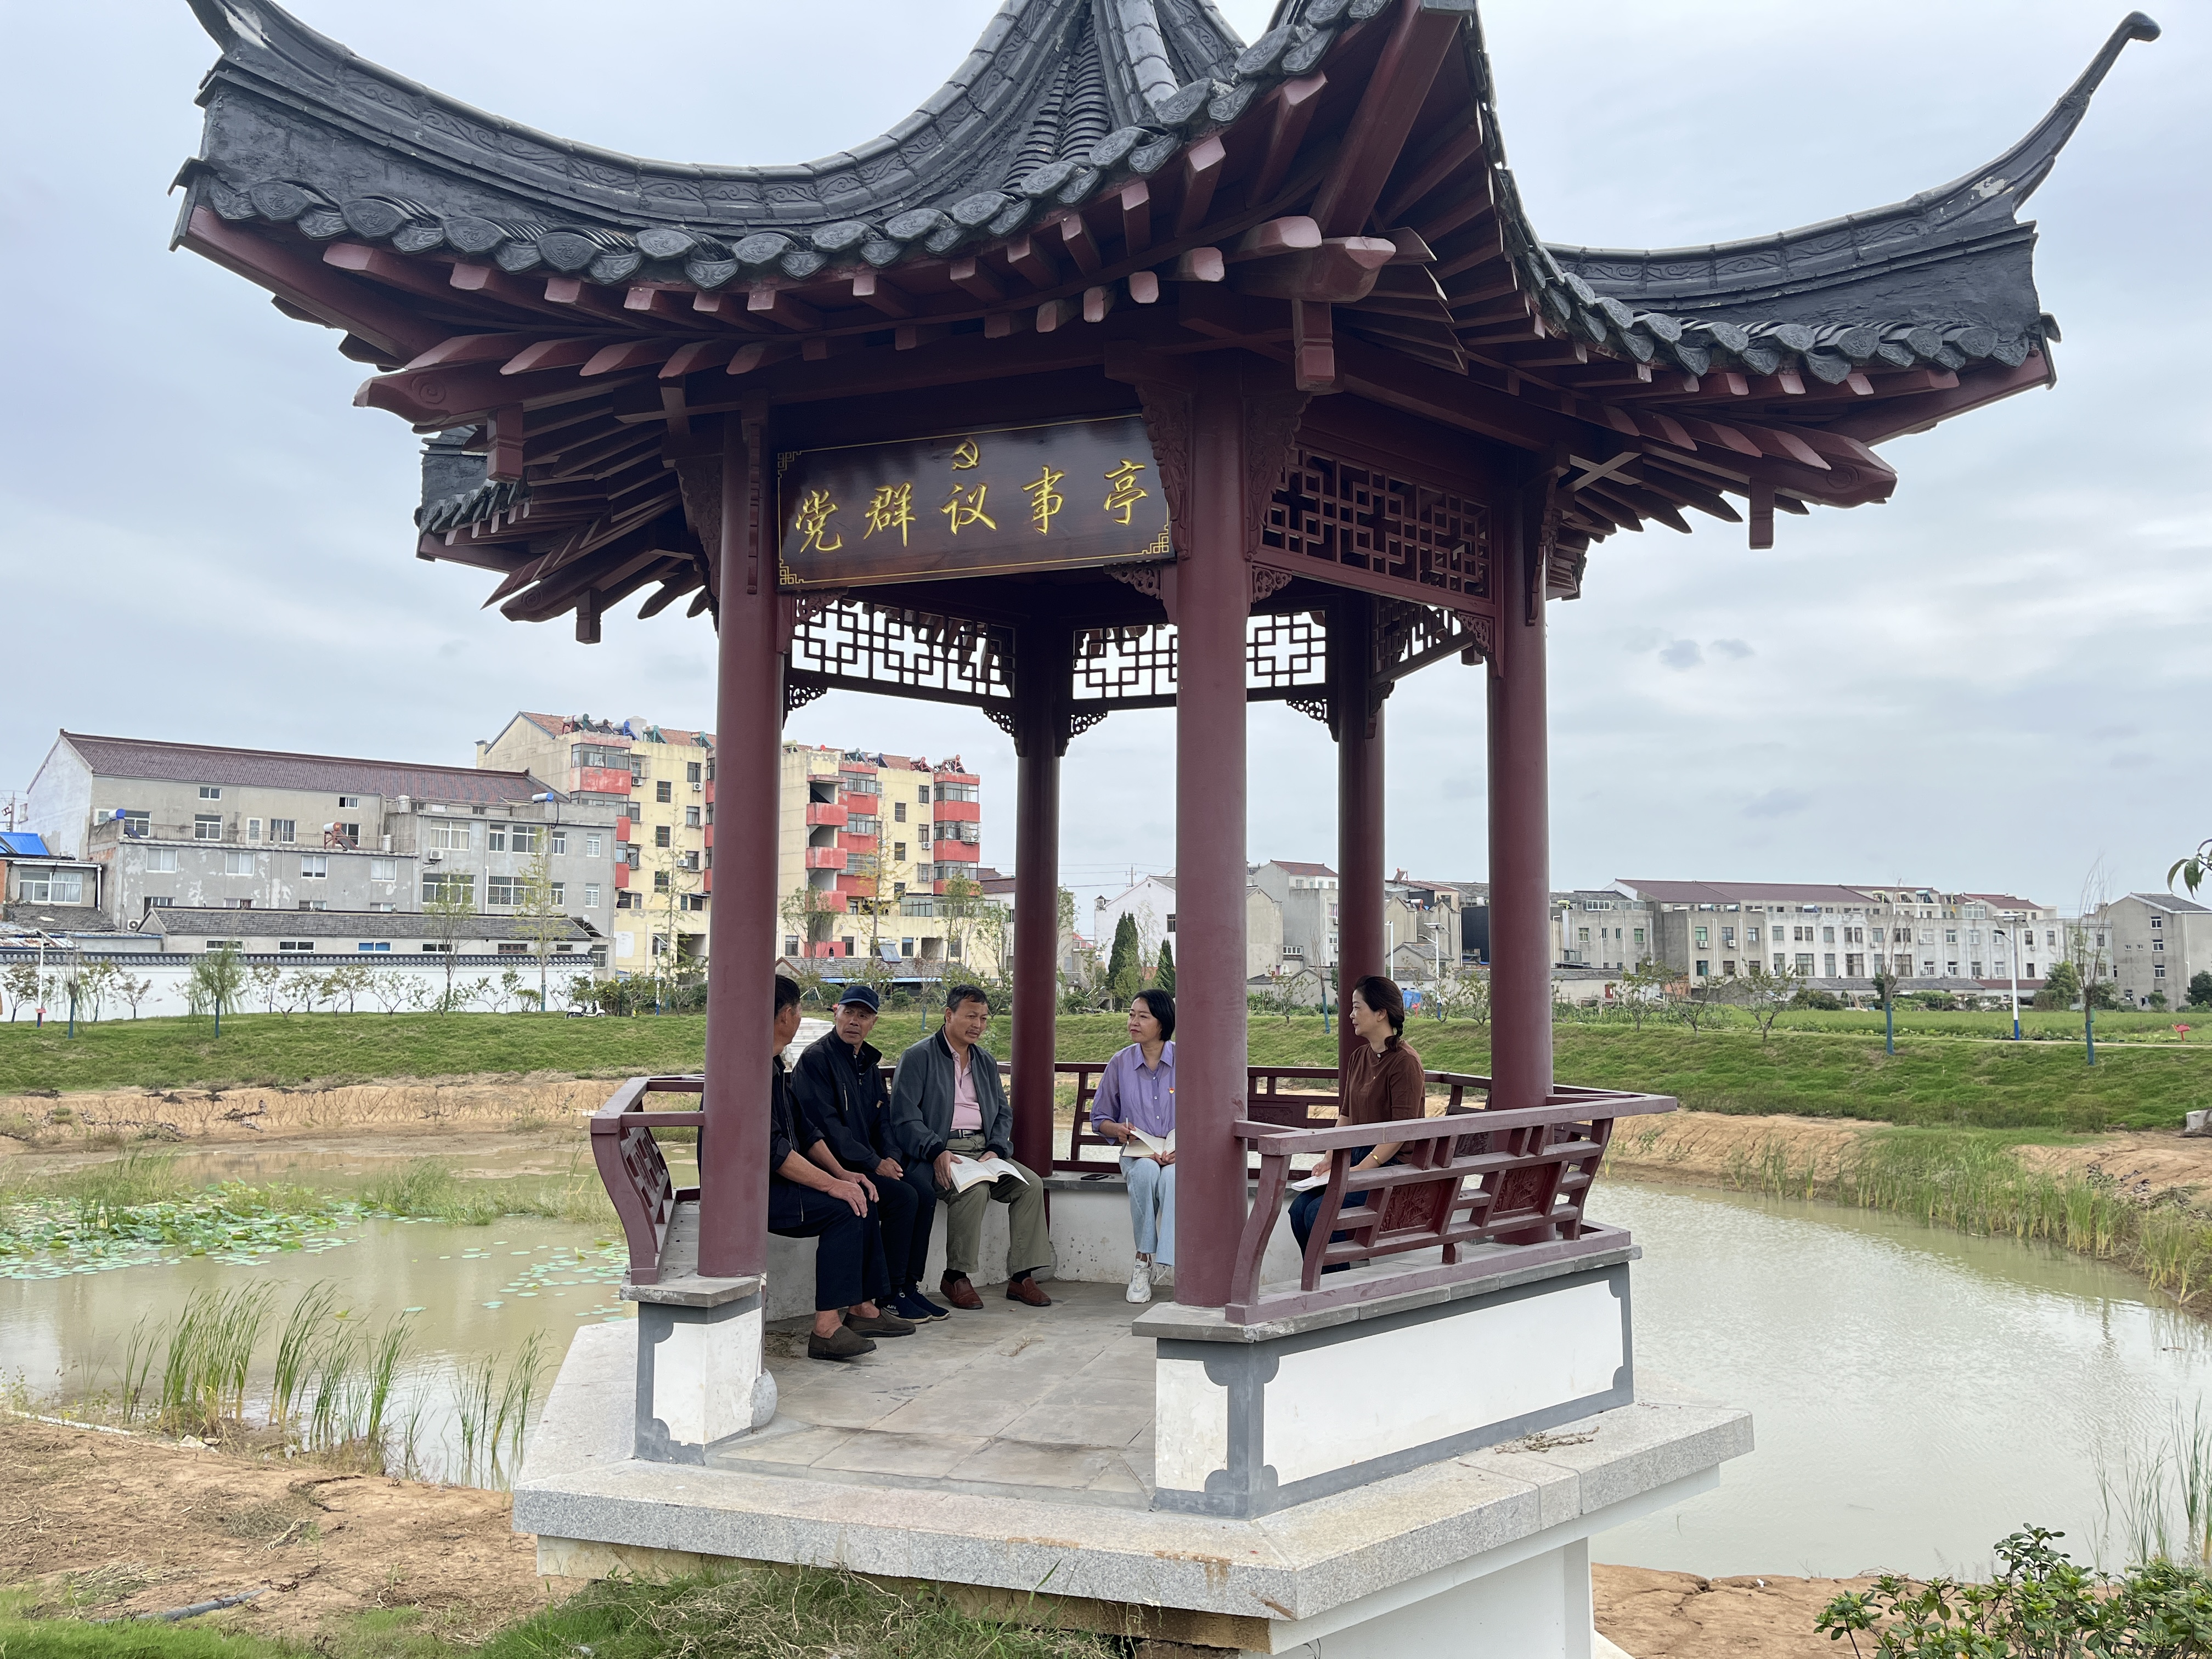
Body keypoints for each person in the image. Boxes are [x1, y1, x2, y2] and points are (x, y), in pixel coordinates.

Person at [765, 974, 915, 1359]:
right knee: (846, 1209)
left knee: (862, 1193)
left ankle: (864, 1308)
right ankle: (826, 1329)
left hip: (777, 1180)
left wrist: (844, 1175)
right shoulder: (760, 1066)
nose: (854, 1021)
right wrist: (833, 1185)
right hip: (755, 1193)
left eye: (864, 1016)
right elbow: (774, 1149)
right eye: (799, 1009)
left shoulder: (772, 1063)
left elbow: (806, 1131)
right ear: (786, 1015)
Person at [787, 983, 948, 1324]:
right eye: (849, 1013)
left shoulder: (868, 1064)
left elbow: (883, 1119)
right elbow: (827, 1127)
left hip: (868, 1163)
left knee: (923, 1191)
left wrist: (890, 1157)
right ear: (836, 1013)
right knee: (902, 1198)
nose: (854, 1022)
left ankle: (908, 1286)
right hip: (833, 1165)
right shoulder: (816, 1060)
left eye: (863, 1016)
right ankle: (889, 1294)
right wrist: (874, 1162)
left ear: (874, 1022)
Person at [887, 983, 1053, 1310]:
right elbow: (905, 1118)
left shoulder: (985, 1061)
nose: (978, 1025)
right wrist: (936, 1150)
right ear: (949, 1015)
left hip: (982, 1150)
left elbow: (1003, 1112)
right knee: (974, 1190)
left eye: (984, 1018)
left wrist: (997, 1148)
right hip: (939, 1151)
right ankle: (955, 1276)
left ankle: (1022, 1277)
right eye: (971, 1016)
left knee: (1031, 1185)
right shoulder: (918, 1057)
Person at [1289, 974, 1424, 1273]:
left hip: (1392, 1166)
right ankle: (1322, 1281)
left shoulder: (1405, 1062)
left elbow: (1402, 1130)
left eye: (1357, 1007)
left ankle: (1337, 1285)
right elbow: (1347, 1116)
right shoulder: (1359, 1057)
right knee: (1298, 1210)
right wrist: (1329, 1158)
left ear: (1381, 1013)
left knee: (1319, 1213)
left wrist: (1363, 1169)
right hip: (1357, 1158)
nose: (1350, 1014)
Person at [1088, 988, 1176, 1304]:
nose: (1133, 1022)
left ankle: (1173, 1261)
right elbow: (1099, 1118)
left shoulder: (1187, 1060)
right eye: (1131, 1015)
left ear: (1162, 1023)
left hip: (1178, 1154)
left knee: (1172, 1177)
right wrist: (1119, 1130)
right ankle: (1144, 1261)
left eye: (1143, 1016)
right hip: (1138, 1153)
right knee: (1145, 1173)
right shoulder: (1120, 1063)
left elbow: (1206, 1115)